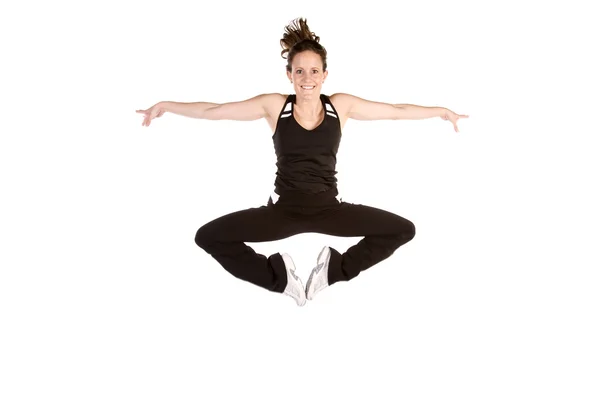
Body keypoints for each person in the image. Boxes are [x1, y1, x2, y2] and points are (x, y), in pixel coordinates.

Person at [136, 17, 468, 306]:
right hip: (281, 213)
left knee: (402, 229)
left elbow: (396, 112)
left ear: (324, 74)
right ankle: (279, 278)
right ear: (289, 75)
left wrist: (440, 112)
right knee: (207, 236)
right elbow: (215, 111)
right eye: (299, 71)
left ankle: (334, 270)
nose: (306, 78)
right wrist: (167, 105)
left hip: (331, 210)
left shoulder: (342, 105)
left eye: (313, 71)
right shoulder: (274, 105)